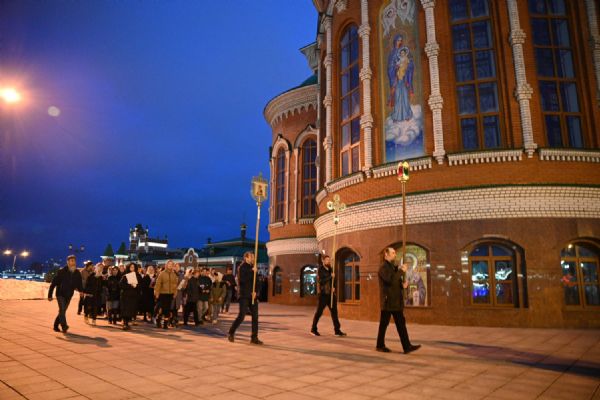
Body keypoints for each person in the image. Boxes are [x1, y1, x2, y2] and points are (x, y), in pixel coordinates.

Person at [376, 247, 421, 354]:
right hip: (388, 302)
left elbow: (395, 281)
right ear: (386, 254)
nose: (395, 255)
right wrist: (401, 271)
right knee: (384, 324)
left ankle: (407, 346)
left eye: (395, 253)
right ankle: (380, 345)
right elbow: (390, 280)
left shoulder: (392, 267)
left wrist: (402, 285)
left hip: (395, 301)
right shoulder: (383, 267)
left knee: (401, 324)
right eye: (393, 253)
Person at [228, 252, 263, 345]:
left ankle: (254, 337)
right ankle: (231, 332)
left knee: (255, 317)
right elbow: (242, 280)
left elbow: (257, 282)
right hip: (244, 295)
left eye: (253, 257)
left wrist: (256, 292)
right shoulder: (242, 267)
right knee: (241, 316)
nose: (253, 258)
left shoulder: (253, 268)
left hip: (253, 296)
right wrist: (252, 272)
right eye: (251, 257)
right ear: (246, 258)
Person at [311, 255, 346, 337]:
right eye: (327, 260)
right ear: (323, 261)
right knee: (319, 313)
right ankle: (313, 329)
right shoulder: (320, 269)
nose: (328, 261)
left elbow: (334, 280)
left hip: (331, 294)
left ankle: (337, 330)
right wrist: (330, 276)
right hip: (323, 295)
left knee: (334, 313)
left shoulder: (330, 269)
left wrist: (334, 287)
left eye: (329, 260)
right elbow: (321, 281)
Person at [48, 255, 83, 333]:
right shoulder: (61, 271)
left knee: (62, 311)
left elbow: (79, 283)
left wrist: (81, 291)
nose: (73, 262)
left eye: (74, 261)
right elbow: (53, 284)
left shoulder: (77, 272)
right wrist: (50, 295)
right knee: (62, 310)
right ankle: (64, 326)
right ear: (67, 262)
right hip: (60, 294)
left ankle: (55, 325)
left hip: (69, 295)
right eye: (71, 261)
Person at [387, 34, 414, 122]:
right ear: (395, 41)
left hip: (404, 78)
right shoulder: (392, 54)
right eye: (398, 40)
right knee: (397, 96)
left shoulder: (404, 52)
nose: (400, 42)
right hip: (397, 79)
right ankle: (396, 116)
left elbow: (410, 64)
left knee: (405, 95)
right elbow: (390, 67)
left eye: (401, 40)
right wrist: (395, 68)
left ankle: (407, 115)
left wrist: (408, 66)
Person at [153, 260, 179, 329]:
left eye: (171, 264)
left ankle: (165, 324)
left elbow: (175, 285)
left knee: (167, 309)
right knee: (162, 309)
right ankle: (158, 320)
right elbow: (158, 284)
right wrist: (156, 293)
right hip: (162, 294)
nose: (170, 265)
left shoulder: (174, 275)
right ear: (166, 265)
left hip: (170, 294)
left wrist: (175, 292)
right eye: (169, 264)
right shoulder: (162, 273)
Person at [120, 262, 141, 331]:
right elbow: (121, 285)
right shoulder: (125, 276)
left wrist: (136, 286)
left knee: (131, 310)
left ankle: (127, 323)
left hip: (134, 296)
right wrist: (130, 285)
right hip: (126, 296)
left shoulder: (138, 276)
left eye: (133, 267)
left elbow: (141, 285)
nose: (132, 268)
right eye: (131, 267)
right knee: (126, 310)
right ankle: (125, 323)